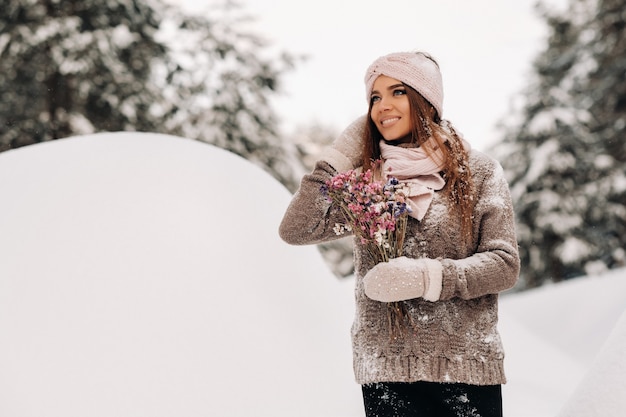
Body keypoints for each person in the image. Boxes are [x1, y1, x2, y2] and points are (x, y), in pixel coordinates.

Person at [278, 51, 520, 417]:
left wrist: (429, 277)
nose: (382, 106)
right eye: (374, 97)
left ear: (425, 100)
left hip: (463, 367)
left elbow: (504, 264)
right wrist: (336, 160)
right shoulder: (368, 185)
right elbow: (297, 228)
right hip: (386, 372)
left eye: (397, 92)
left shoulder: (478, 173)